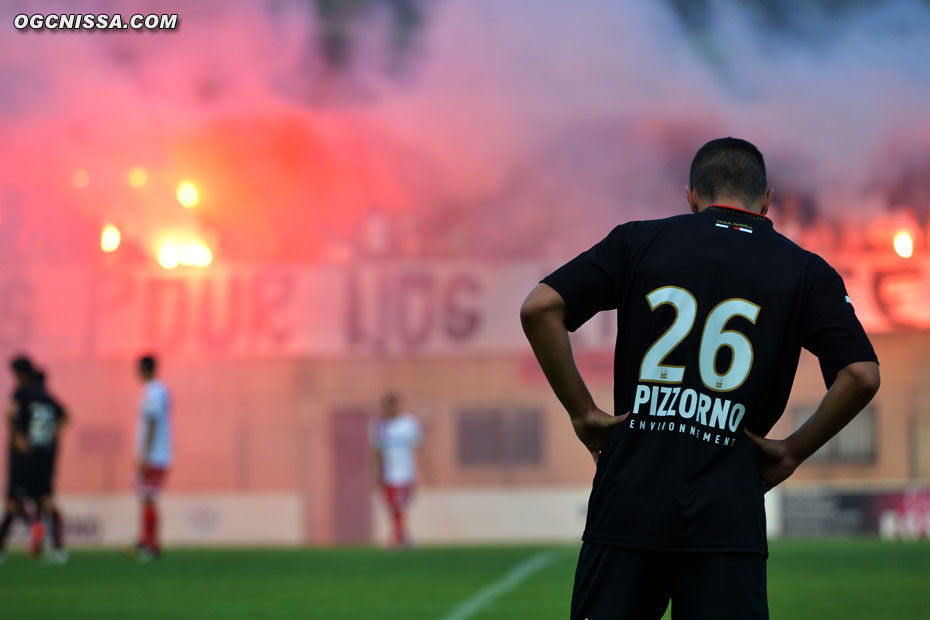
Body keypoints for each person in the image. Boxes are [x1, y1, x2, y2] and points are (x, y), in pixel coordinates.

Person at [521, 137, 880, 619]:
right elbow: (860, 375)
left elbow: (540, 307)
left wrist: (582, 413)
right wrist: (791, 452)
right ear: (767, 199)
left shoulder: (637, 241)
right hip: (728, 514)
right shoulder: (807, 273)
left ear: (691, 197)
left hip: (628, 501)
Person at [0, 356, 67, 563]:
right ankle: (58, 549)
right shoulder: (48, 398)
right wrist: (51, 437)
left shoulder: (22, 394)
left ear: (20, 374)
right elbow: (65, 417)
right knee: (45, 500)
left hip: (24, 458)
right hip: (45, 455)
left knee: (13, 503)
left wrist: (19, 437)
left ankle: (10, 542)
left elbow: (10, 414)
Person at [132, 354, 172, 561]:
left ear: (145, 369)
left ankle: (151, 544)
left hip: (155, 455)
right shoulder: (155, 391)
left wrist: (146, 456)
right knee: (146, 497)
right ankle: (146, 541)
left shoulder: (154, 392)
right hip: (156, 454)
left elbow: (153, 423)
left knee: (149, 497)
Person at [370, 392, 422, 549]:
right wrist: (375, 473)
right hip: (389, 474)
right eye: (388, 406)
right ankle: (403, 537)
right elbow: (376, 451)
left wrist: (424, 470)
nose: (391, 409)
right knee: (393, 507)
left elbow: (418, 447)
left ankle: (397, 537)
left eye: (394, 405)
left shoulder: (408, 424)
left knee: (401, 506)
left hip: (405, 473)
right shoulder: (379, 425)